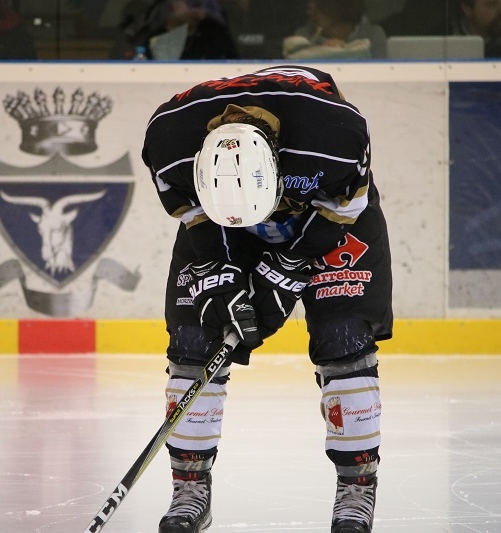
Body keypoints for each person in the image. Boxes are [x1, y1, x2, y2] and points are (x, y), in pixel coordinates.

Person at [142, 65, 393, 532]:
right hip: (217, 223)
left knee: (343, 336)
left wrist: (285, 273)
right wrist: (228, 282)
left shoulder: (334, 133)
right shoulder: (168, 142)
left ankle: (357, 486)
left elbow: (346, 206)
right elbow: (195, 218)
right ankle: (190, 487)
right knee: (196, 338)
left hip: (325, 216)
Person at [128, 0, 238, 59]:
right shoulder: (152, 37)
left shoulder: (214, 33)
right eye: (192, 4)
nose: (200, 10)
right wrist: (174, 24)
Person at [282, 0, 388, 59]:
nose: (311, 12)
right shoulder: (303, 35)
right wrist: (322, 51)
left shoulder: (373, 34)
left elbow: (379, 71)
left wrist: (343, 50)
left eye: (319, 6)